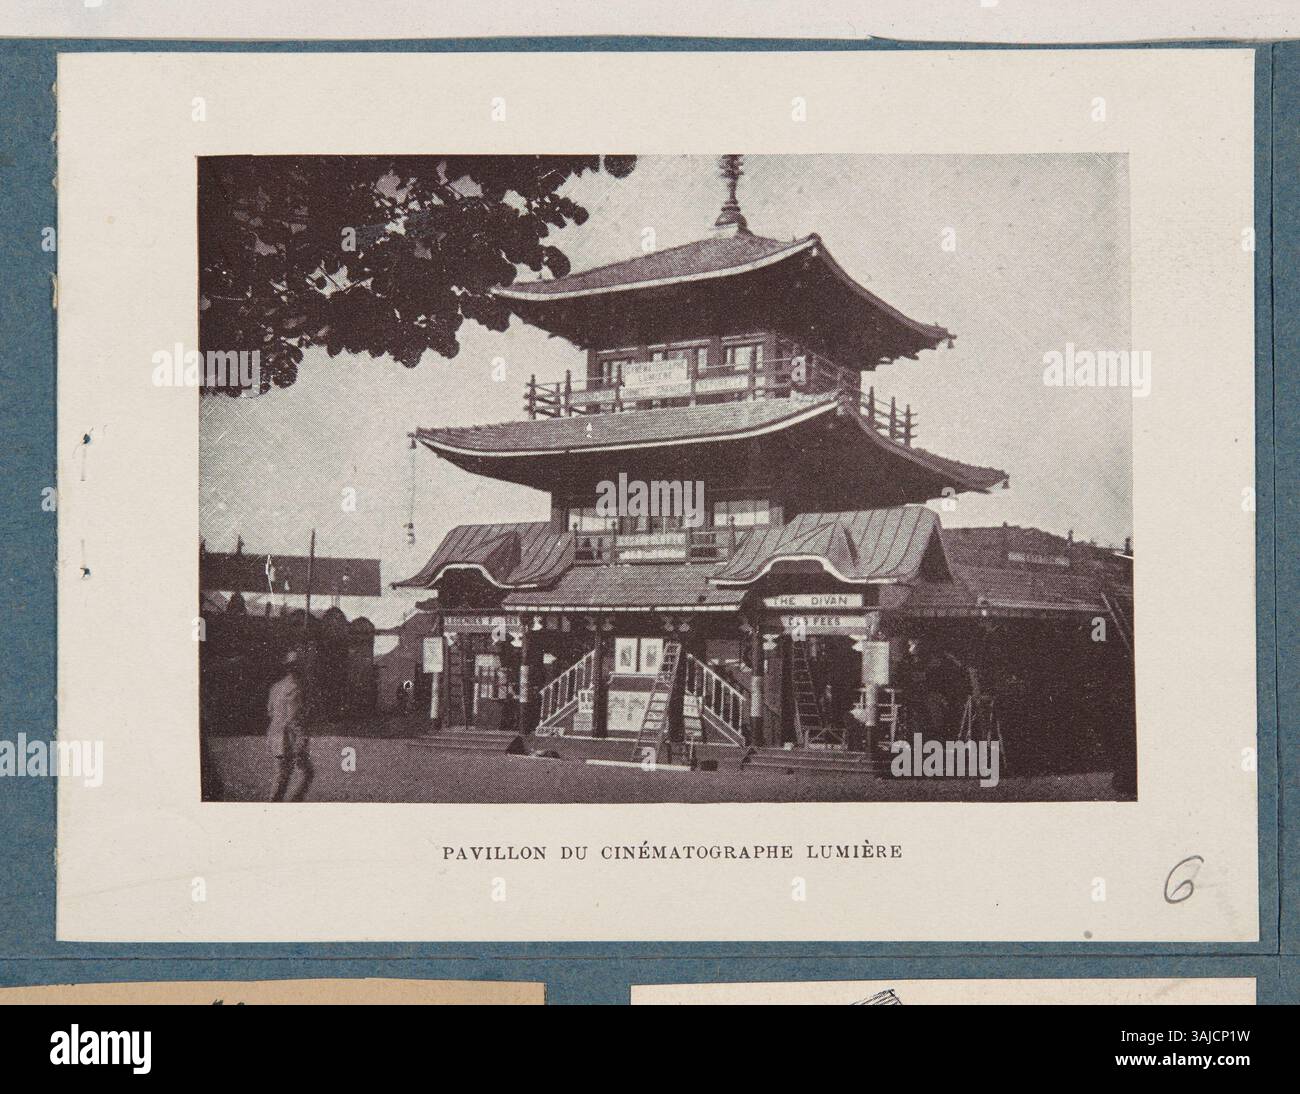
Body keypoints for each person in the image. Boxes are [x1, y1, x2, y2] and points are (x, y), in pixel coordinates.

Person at [268, 648, 313, 802]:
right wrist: (302, 738)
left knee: (297, 773)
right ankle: (280, 805)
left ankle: (290, 801)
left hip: (275, 736)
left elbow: (270, 711)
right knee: (286, 776)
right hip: (290, 739)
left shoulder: (276, 687)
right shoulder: (298, 689)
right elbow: (294, 718)